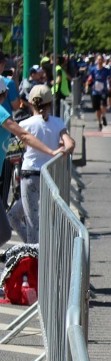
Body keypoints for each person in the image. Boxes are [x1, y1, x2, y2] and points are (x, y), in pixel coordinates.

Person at [0, 82, 68, 247]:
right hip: (44, 175)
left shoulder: (23, 120)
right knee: (7, 230)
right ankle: (35, 255)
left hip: (29, 175)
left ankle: (34, 254)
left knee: (6, 230)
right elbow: (23, 135)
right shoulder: (1, 112)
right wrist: (51, 152)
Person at [87, 55, 111, 130]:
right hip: (95, 91)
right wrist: (88, 84)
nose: (100, 61)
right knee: (97, 108)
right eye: (98, 60)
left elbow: (109, 79)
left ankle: (103, 116)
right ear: (96, 61)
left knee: (103, 105)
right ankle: (99, 123)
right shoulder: (93, 69)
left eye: (101, 59)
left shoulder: (106, 70)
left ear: (103, 61)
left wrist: (109, 84)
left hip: (103, 90)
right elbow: (90, 78)